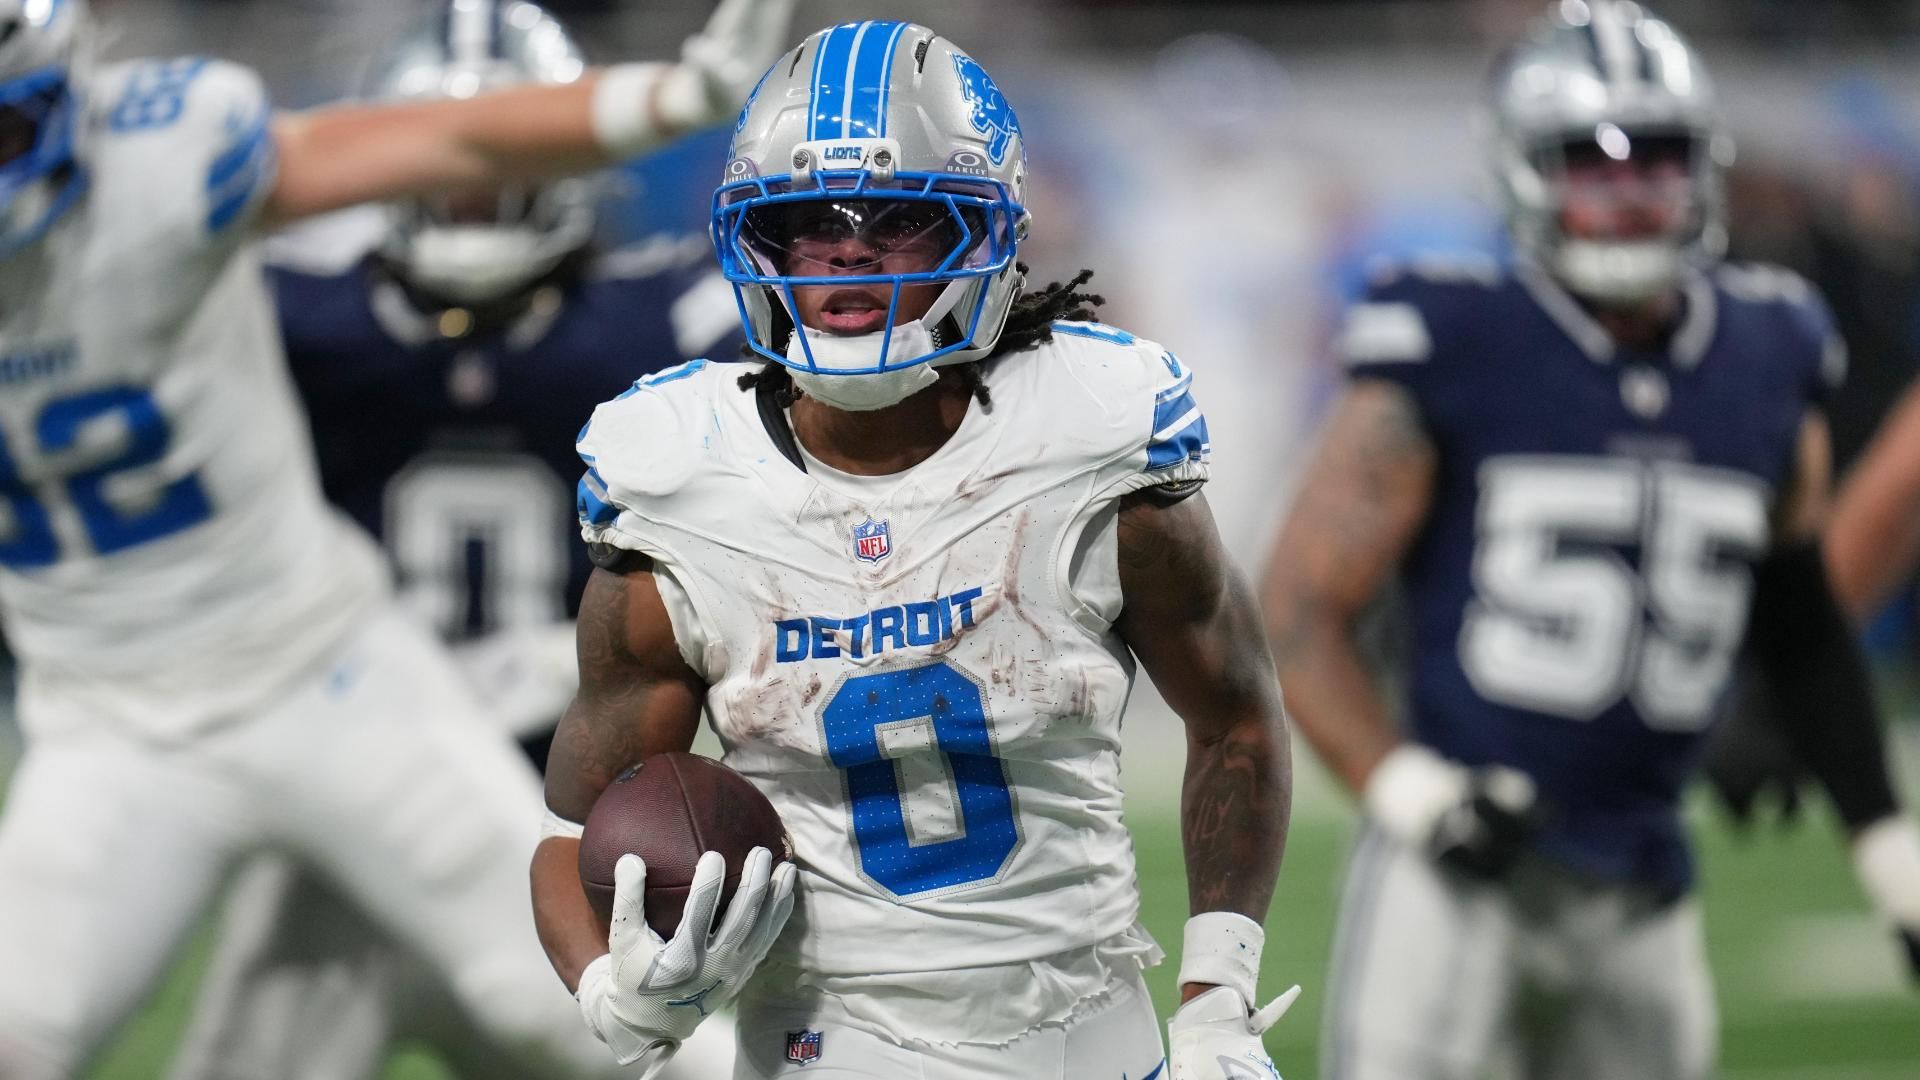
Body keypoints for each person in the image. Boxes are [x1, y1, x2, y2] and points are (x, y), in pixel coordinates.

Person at [0, 0, 792, 1075]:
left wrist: (675, 98)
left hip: (319, 668)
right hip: (102, 724)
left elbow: (447, 138)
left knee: (562, 996)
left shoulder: (162, 163)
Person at [530, 21, 1298, 1080]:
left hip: (1089, 1044)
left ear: (984, 235)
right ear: (757, 244)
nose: (850, 254)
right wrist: (607, 991)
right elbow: (571, 830)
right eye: (810, 225)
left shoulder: (1088, 436)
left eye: (898, 222)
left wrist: (1217, 997)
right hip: (825, 1048)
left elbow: (1237, 717)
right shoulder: (681, 484)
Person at [1260, 3, 1920, 1078]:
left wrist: (1891, 854)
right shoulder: (1460, 338)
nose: (1630, 195)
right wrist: (1418, 795)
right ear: (1527, 172)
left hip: (1646, 868)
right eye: (1593, 164)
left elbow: (1803, 624)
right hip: (1452, 875)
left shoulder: (1766, 349)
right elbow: (1294, 615)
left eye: (1656, 161)